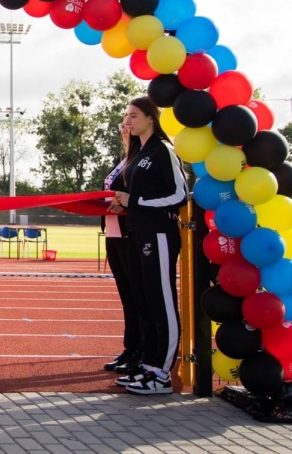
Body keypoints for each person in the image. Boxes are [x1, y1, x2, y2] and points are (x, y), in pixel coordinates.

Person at [111, 96, 188, 395]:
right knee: (146, 300)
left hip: (159, 234)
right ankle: (148, 364)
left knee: (162, 300)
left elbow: (179, 195)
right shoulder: (139, 153)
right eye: (126, 115)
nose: (127, 121)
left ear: (150, 119)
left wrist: (136, 202)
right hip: (138, 232)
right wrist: (124, 203)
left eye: (133, 116)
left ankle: (162, 374)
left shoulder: (163, 150)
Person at [101, 122, 144, 376]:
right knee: (127, 296)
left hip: (131, 233)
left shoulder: (143, 159)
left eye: (130, 123)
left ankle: (141, 351)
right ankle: (130, 348)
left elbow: (136, 192)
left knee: (137, 296)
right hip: (114, 232)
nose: (124, 129)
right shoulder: (123, 159)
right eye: (122, 124)